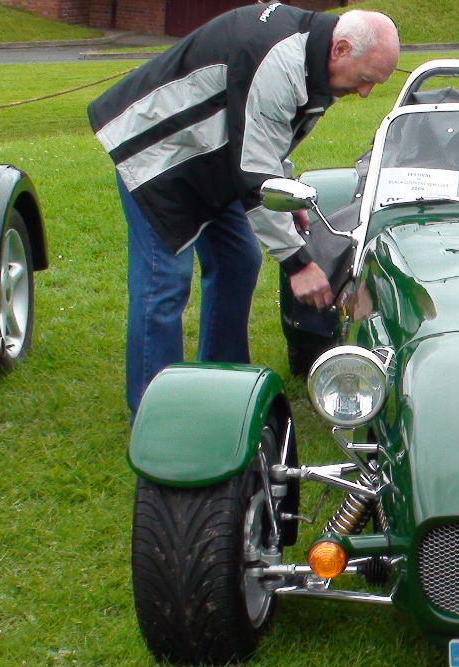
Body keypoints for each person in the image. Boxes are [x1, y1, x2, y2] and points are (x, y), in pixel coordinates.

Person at [88, 5, 399, 416]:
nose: (364, 93)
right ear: (340, 48)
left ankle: (223, 385)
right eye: (364, 80)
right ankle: (156, 415)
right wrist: (298, 263)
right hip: (156, 152)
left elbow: (267, 137)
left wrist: (287, 198)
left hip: (213, 157)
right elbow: (254, 171)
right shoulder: (279, 61)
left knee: (238, 260)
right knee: (163, 283)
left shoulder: (317, 60)